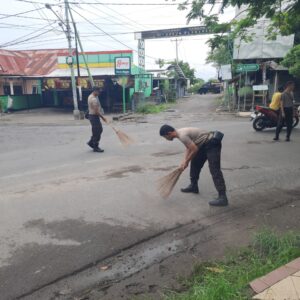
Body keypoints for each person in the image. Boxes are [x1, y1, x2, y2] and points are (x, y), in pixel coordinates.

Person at [159, 125, 228, 207]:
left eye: (165, 137)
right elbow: (188, 148)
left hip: (212, 143)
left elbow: (194, 149)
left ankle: (223, 197)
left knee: (214, 169)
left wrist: (187, 161)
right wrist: (184, 161)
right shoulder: (179, 134)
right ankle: (193, 186)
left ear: (169, 133)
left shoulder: (182, 135)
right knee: (195, 164)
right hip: (203, 145)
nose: (166, 139)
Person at [87, 87, 107, 152]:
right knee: (97, 131)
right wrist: (103, 117)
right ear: (95, 91)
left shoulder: (90, 96)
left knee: (98, 130)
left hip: (92, 116)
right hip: (94, 116)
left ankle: (91, 142)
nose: (99, 93)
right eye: (98, 92)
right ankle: (95, 146)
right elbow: (96, 111)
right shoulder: (93, 99)